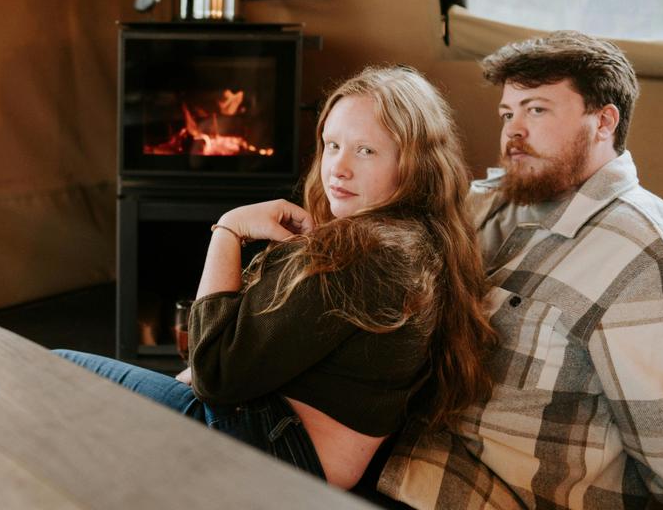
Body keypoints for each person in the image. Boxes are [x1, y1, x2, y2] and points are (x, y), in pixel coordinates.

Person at [56, 66, 496, 490]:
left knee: (51, 371)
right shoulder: (421, 241)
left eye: (366, 150)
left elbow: (215, 374)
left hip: (267, 447)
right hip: (284, 441)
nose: (338, 169)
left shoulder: (363, 253)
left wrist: (229, 229)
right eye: (332, 145)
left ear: (415, 164)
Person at [378, 32, 663, 509]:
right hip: (399, 445)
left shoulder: (654, 261)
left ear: (603, 122)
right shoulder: (485, 204)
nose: (513, 130)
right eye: (507, 114)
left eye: (536, 110)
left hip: (487, 492)